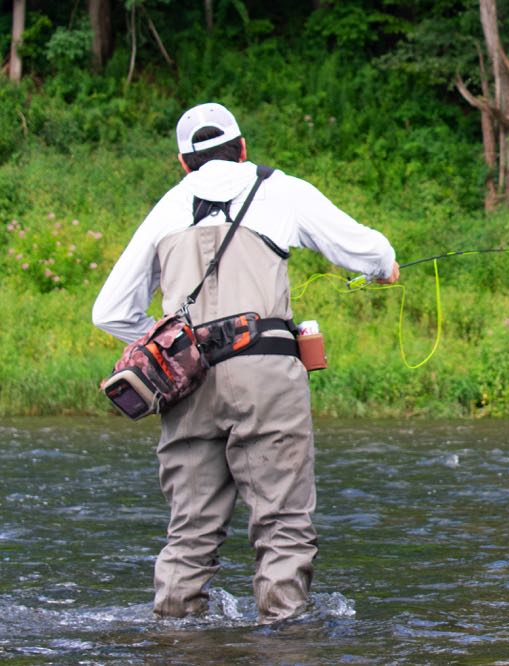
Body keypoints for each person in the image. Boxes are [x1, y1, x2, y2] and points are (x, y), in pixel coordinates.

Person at [92, 102, 399, 623]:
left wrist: (171, 343)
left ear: (184, 163)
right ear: (242, 149)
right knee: (281, 523)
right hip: (265, 375)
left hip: (186, 385)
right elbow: (367, 251)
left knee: (189, 532)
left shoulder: (167, 207)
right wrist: (383, 269)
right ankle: (285, 639)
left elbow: (110, 311)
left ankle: (174, 641)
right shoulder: (281, 190)